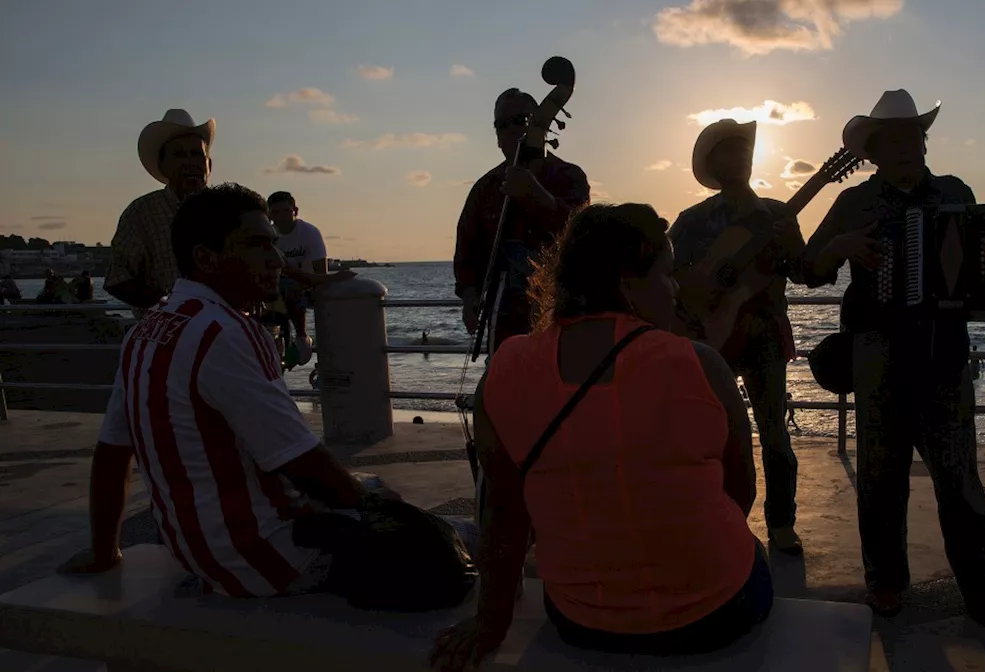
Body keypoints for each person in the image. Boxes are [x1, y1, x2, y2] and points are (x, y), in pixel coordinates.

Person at [57, 183, 473, 600]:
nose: (275, 258)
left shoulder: (144, 332)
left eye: (273, 244)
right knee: (457, 534)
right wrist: (384, 513)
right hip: (267, 560)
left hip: (199, 552)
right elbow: (301, 460)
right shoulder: (226, 332)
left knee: (372, 485)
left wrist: (104, 551)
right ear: (207, 257)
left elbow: (112, 453)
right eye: (257, 245)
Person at [432, 204, 771, 669]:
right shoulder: (700, 364)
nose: (674, 290)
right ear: (627, 284)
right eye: (666, 274)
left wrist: (490, 624)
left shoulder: (506, 370)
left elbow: (506, 512)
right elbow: (740, 491)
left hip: (584, 619)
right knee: (751, 550)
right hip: (715, 612)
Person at [797, 90, 985, 636]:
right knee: (880, 478)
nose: (908, 146)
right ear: (873, 151)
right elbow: (805, 268)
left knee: (960, 482)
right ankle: (886, 582)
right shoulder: (854, 203)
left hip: (944, 348)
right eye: (894, 139)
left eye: (914, 136)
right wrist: (842, 245)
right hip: (876, 350)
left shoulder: (956, 193)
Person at [668, 119, 805, 554]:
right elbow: (666, 275)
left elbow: (804, 273)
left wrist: (794, 245)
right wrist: (699, 293)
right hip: (711, 338)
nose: (739, 158)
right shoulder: (692, 222)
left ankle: (782, 524)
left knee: (775, 436)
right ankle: (716, 516)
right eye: (728, 151)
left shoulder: (778, 213)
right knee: (709, 433)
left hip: (764, 335)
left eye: (744, 150)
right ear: (713, 162)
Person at [453, 87, 591, 354]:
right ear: (497, 138)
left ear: (541, 125)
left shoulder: (569, 176)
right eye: (501, 125)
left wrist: (536, 194)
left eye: (521, 120)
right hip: (503, 320)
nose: (511, 130)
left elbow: (581, 237)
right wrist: (469, 296)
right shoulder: (485, 188)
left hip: (560, 310)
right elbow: (466, 250)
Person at [105, 109, 215, 316]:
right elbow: (117, 279)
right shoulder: (142, 213)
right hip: (168, 337)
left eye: (197, 154)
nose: (190, 162)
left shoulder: (231, 209)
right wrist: (169, 307)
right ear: (163, 166)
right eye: (179, 155)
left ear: (209, 164)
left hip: (227, 334)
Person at [265, 191, 352, 365]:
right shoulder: (268, 236)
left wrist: (317, 285)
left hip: (303, 285)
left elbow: (320, 271)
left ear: (295, 211)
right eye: (275, 212)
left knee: (292, 288)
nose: (281, 217)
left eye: (285, 211)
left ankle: (301, 336)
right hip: (274, 286)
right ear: (269, 215)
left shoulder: (309, 233)